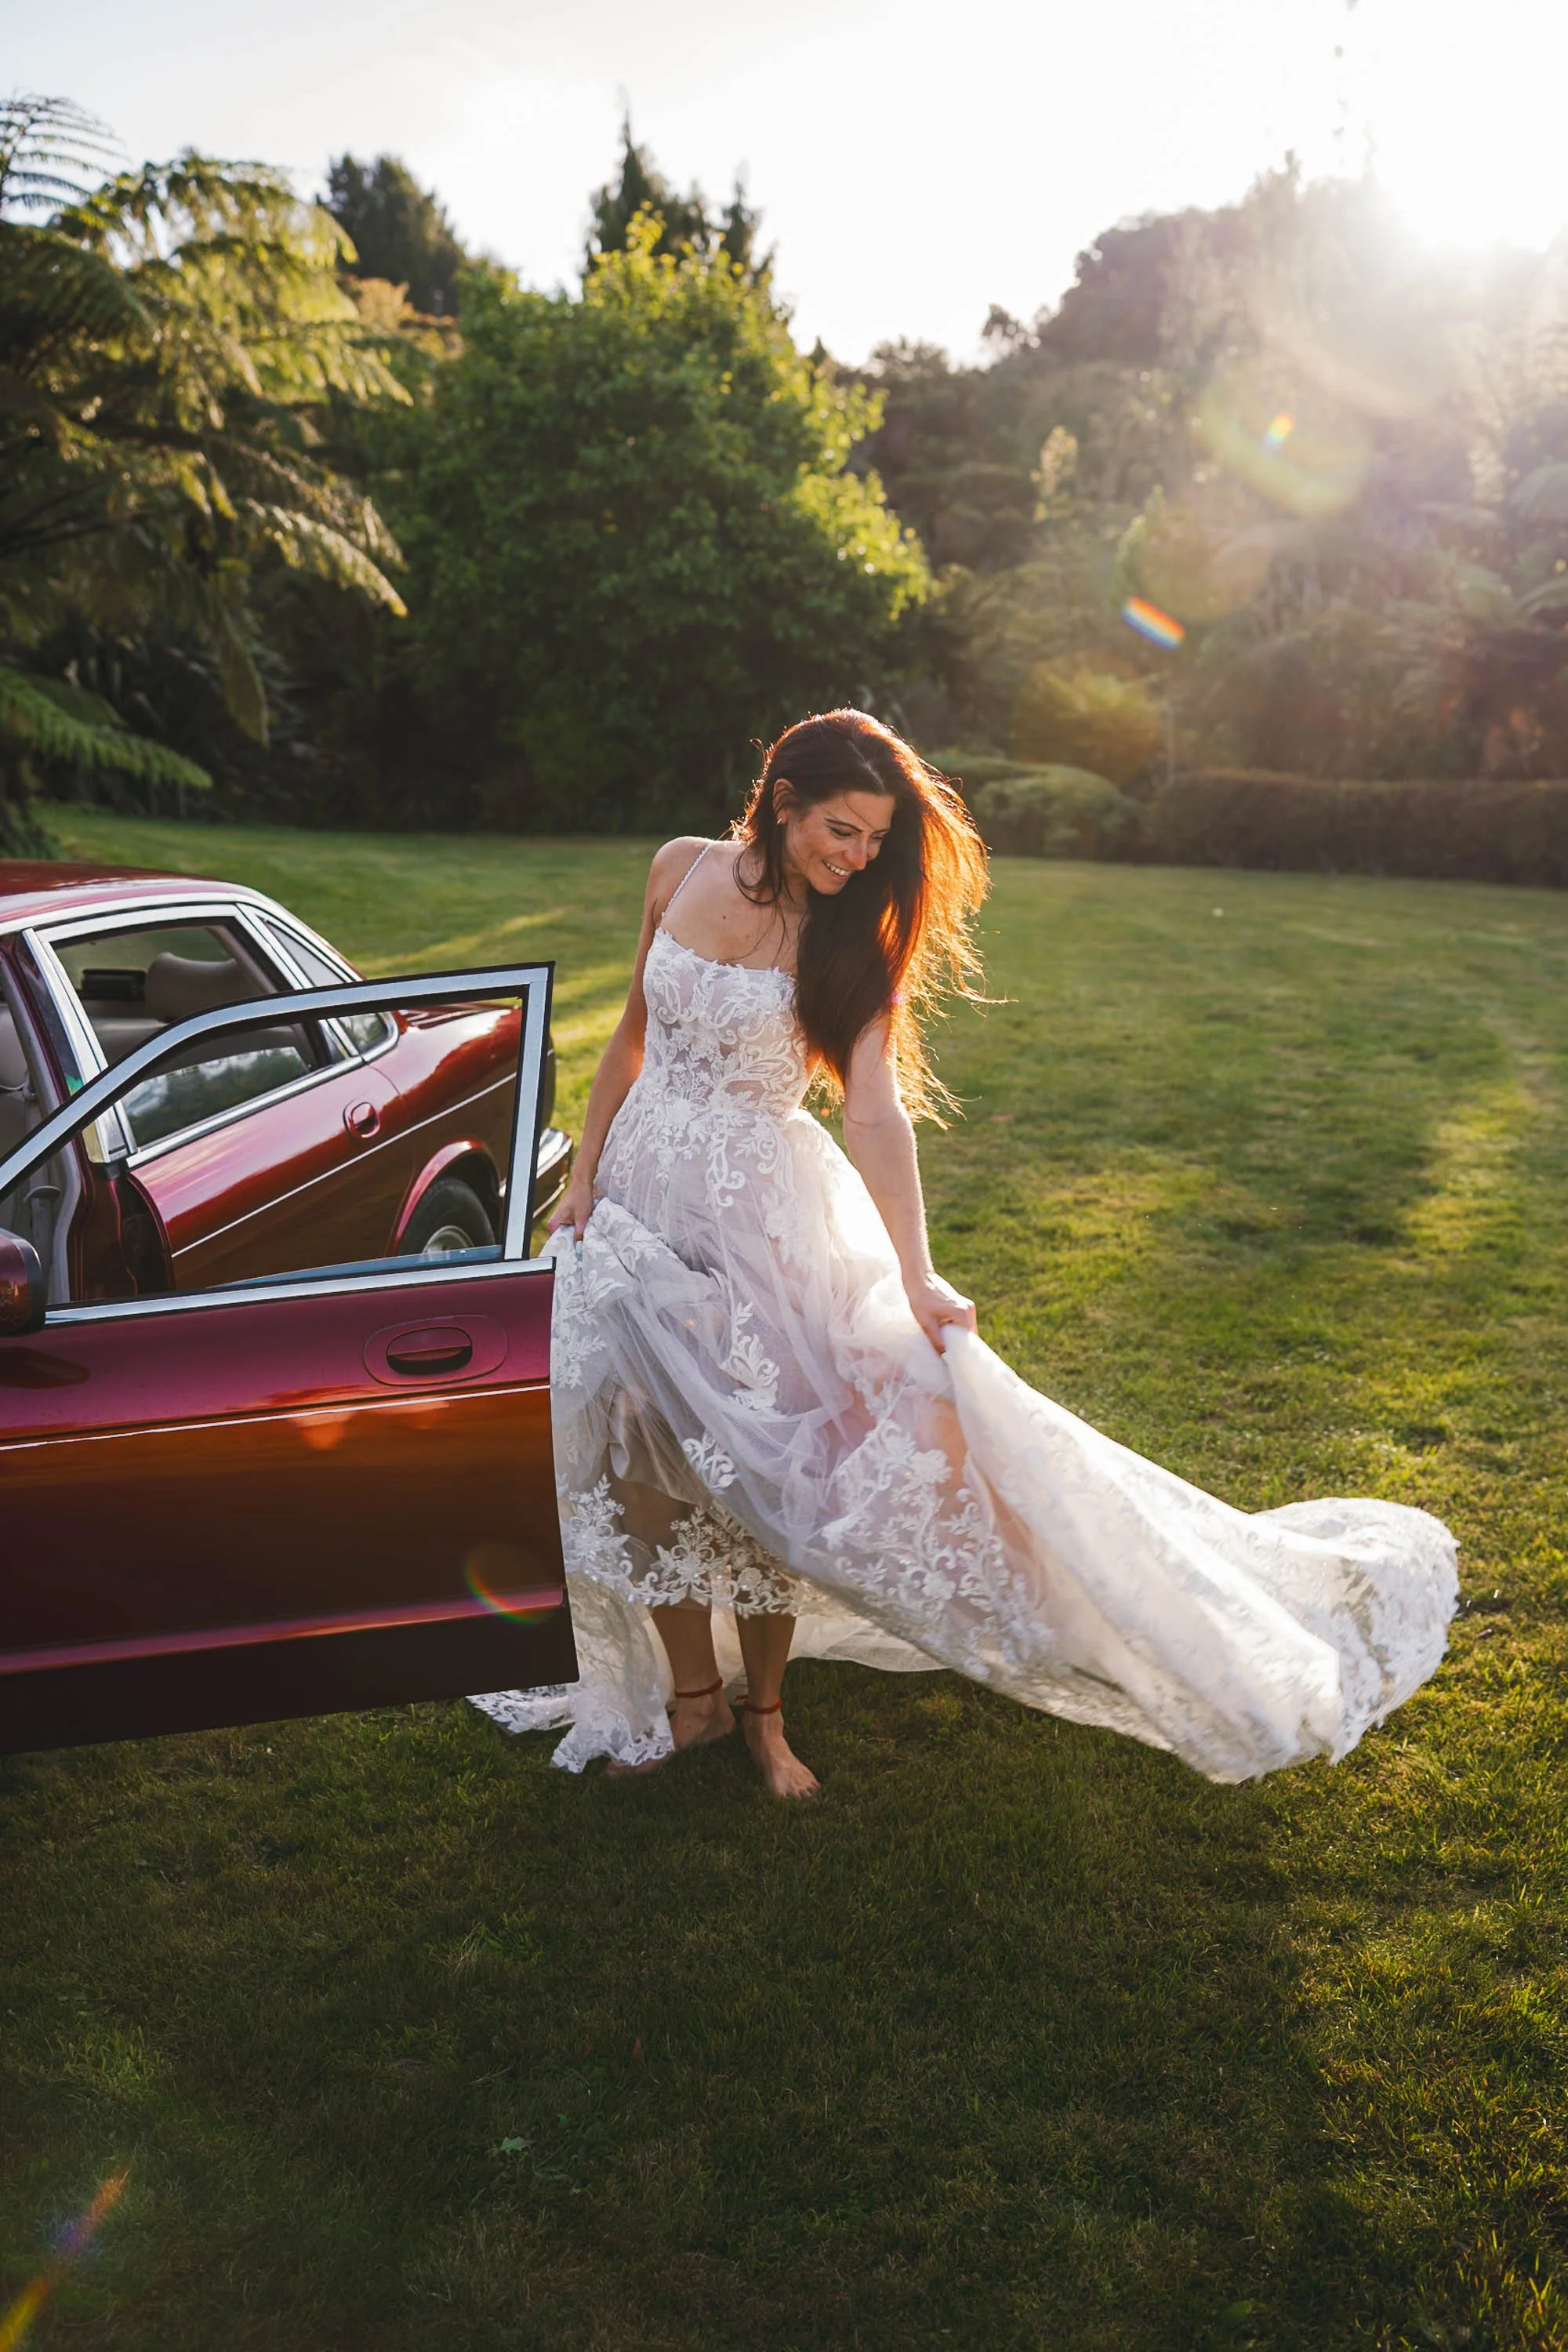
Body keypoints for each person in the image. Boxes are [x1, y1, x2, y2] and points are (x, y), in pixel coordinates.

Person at [472, 710, 1457, 1797]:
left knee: (761, 1472)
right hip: (637, 1211)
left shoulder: (852, 941)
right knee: (638, 1451)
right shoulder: (678, 869)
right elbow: (630, 1036)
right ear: (782, 798)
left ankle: (765, 1715)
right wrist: (585, 1171)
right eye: (839, 830)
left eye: (872, 842)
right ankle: (693, 1704)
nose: (855, 858)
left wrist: (917, 1269)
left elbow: (877, 1118)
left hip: (761, 1223)